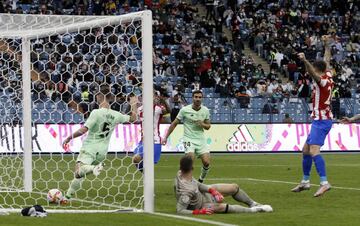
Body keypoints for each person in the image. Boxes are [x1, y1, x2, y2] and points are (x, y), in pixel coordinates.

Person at [61, 85, 137, 203]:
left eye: (96, 96)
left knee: (79, 169)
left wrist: (68, 138)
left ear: (99, 96)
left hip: (90, 147)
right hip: (102, 152)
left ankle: (94, 168)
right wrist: (134, 104)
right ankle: (67, 197)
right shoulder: (117, 115)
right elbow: (133, 119)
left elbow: (84, 130)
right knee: (80, 174)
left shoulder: (96, 112)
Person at [291, 35, 334, 197]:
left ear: (318, 70)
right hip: (322, 120)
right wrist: (326, 45)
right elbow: (327, 59)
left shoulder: (321, 81)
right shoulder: (328, 75)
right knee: (306, 150)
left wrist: (304, 60)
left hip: (322, 121)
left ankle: (324, 183)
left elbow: (311, 72)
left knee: (314, 151)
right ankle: (305, 181)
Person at [174, 155, 273, 215]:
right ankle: (254, 210)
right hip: (202, 206)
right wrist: (199, 212)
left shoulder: (181, 173)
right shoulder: (185, 192)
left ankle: (253, 203)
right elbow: (180, 210)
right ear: (193, 167)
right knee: (222, 207)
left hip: (204, 194)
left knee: (234, 187)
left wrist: (213, 191)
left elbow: (197, 184)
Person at [162, 90, 211, 183]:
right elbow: (174, 123)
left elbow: (208, 126)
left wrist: (202, 124)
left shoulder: (205, 110)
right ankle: (185, 181)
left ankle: (200, 180)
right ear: (192, 98)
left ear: (202, 99)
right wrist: (165, 137)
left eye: (200, 97)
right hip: (189, 139)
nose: (198, 99)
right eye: (196, 97)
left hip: (201, 139)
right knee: (190, 159)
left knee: (206, 162)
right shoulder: (184, 110)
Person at [132, 91, 170, 172]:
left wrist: (162, 100)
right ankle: (145, 174)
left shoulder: (158, 108)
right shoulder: (140, 109)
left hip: (155, 140)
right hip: (143, 141)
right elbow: (133, 119)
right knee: (136, 159)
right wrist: (133, 104)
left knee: (149, 164)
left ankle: (147, 177)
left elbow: (168, 111)